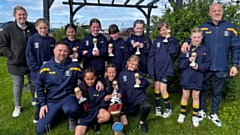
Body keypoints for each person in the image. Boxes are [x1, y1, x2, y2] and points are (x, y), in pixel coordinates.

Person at [181, 3, 240, 127]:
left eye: (219, 10)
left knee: (217, 92)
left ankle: (214, 113)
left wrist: (234, 65)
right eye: (214, 11)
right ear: (209, 13)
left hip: (222, 66)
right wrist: (186, 42)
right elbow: (194, 37)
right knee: (202, 90)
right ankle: (201, 111)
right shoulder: (204, 27)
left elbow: (236, 48)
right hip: (205, 66)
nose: (217, 12)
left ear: (222, 12)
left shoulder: (231, 28)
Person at [0, 6, 37, 117]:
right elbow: (2, 45)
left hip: (30, 62)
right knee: (18, 85)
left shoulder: (32, 27)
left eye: (24, 14)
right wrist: (11, 55)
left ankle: (34, 100)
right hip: (15, 64)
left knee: (33, 82)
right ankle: (17, 106)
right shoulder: (8, 28)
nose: (22, 17)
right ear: (14, 15)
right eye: (19, 15)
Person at [177, 28, 210, 127]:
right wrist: (188, 60)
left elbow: (207, 64)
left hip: (198, 76)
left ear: (202, 37)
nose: (196, 39)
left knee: (196, 96)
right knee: (185, 96)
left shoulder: (205, 49)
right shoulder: (185, 48)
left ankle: (195, 115)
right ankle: (182, 113)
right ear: (191, 37)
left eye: (198, 37)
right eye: (194, 37)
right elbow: (180, 64)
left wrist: (199, 67)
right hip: (187, 76)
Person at [26, 18, 56, 123]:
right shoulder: (32, 39)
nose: (43, 30)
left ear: (48, 28)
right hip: (37, 72)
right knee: (39, 93)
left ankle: (48, 110)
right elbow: (29, 56)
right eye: (41, 28)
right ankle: (37, 113)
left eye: (45, 28)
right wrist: (36, 69)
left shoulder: (51, 40)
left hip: (49, 71)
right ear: (36, 28)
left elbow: (54, 55)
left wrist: (51, 66)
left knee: (49, 91)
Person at [148, 21, 179, 118]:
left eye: (164, 30)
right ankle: (158, 107)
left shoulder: (173, 40)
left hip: (166, 69)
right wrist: (151, 70)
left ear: (168, 29)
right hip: (157, 69)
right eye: (161, 30)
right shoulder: (156, 41)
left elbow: (173, 51)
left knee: (163, 89)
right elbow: (151, 56)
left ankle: (168, 109)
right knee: (156, 88)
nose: (162, 32)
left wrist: (168, 40)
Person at [118, 55, 151, 133]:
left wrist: (141, 83)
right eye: (132, 64)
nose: (133, 66)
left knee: (147, 106)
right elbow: (121, 88)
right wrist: (120, 94)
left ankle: (142, 122)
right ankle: (133, 108)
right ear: (128, 63)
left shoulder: (139, 73)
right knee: (132, 113)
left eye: (136, 65)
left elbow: (147, 84)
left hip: (139, 95)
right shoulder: (122, 74)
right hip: (129, 98)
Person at [75, 68, 110, 135]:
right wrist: (78, 97)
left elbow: (103, 104)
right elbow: (78, 103)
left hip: (97, 110)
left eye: (92, 79)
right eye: (87, 79)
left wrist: (105, 100)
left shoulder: (100, 86)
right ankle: (87, 122)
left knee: (107, 116)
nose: (90, 81)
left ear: (96, 77)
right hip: (86, 113)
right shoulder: (80, 87)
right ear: (84, 78)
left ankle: (96, 122)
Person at [101, 64, 128, 134]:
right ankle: (118, 131)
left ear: (116, 72)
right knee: (112, 115)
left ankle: (116, 121)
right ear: (106, 73)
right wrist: (109, 96)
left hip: (118, 105)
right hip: (107, 105)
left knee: (125, 123)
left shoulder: (119, 81)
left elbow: (122, 91)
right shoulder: (103, 82)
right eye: (110, 73)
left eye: (113, 72)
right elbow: (104, 97)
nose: (112, 74)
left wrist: (119, 93)